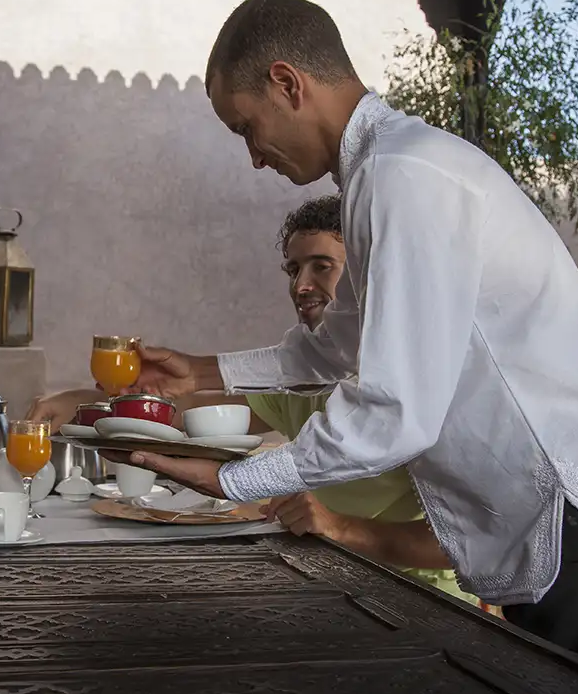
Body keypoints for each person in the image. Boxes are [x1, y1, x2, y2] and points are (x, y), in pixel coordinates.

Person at [107, 0, 578, 694]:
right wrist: (203, 372)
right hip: (567, 525)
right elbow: (338, 349)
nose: (252, 158)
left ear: (287, 83)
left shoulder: (403, 174)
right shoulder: (380, 174)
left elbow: (396, 410)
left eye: (247, 128)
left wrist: (236, 481)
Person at [29, 195, 474, 603]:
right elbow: (194, 420)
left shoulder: (432, 380)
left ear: (370, 274)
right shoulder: (306, 376)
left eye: (322, 266)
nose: (301, 286)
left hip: (420, 600)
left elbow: (465, 541)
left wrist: (343, 528)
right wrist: (89, 404)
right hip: (329, 581)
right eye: (294, 269)